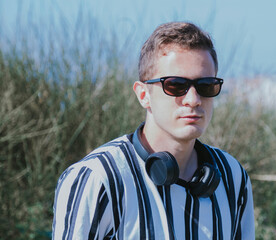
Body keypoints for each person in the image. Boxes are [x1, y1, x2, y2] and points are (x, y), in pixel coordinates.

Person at [52, 21, 255, 240]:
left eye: (206, 85)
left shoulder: (233, 177)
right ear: (143, 95)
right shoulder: (96, 178)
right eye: (176, 85)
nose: (193, 99)